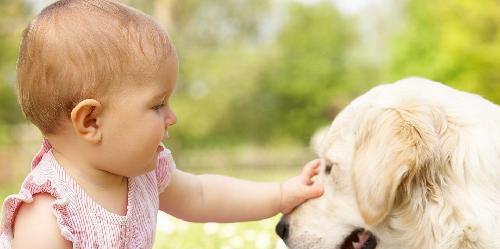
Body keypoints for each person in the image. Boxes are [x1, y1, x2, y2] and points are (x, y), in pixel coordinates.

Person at [0, 0, 324, 248]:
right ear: (91, 121)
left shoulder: (144, 174)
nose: (172, 117)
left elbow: (203, 195)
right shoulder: (48, 214)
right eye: (157, 105)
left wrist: (280, 194)